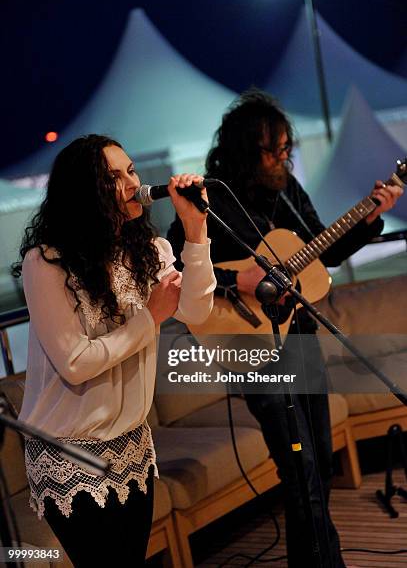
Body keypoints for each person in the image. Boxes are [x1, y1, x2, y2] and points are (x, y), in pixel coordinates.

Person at [167, 89, 403, 567]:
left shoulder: (288, 191)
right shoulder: (210, 199)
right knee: (301, 472)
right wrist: (238, 279)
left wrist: (370, 219)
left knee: (316, 462)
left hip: (299, 340)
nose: (283, 157)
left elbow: (324, 253)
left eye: (285, 148)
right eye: (274, 150)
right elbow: (177, 265)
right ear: (245, 149)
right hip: (251, 347)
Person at [13, 134, 216, 567]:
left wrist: (196, 232)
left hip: (132, 444)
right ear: (85, 192)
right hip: (68, 450)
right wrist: (151, 318)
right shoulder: (46, 262)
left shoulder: (150, 250)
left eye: (131, 171)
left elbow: (198, 311)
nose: (130, 183)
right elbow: (74, 363)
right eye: (112, 177)